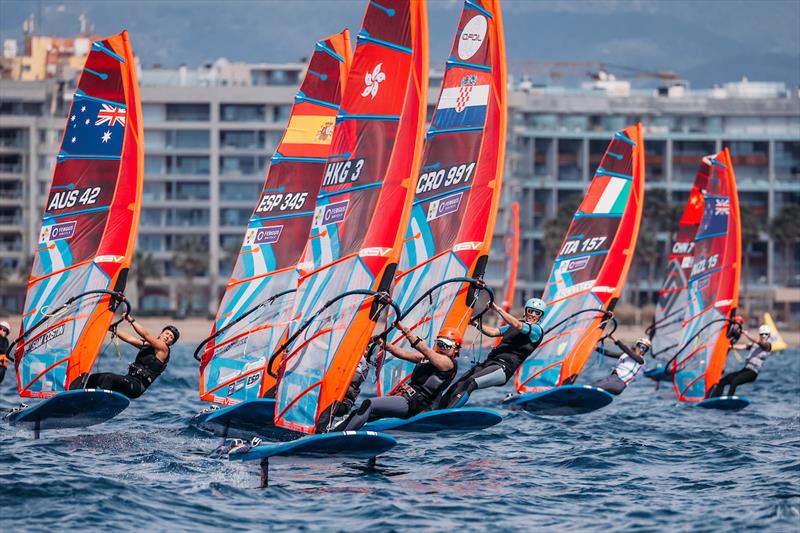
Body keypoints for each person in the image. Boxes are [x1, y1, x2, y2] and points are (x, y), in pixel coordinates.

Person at [335, 323, 461, 431]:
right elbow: (403, 354)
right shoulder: (427, 358)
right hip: (404, 397)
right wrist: (383, 344)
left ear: (456, 349)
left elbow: (425, 350)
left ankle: (340, 436)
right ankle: (333, 432)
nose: (442, 348)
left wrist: (405, 330)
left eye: (447, 345)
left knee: (369, 404)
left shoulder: (448, 364)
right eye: (440, 344)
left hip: (413, 404)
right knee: (364, 411)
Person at [438, 297, 545, 408]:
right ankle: (435, 410)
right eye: (530, 311)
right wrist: (474, 323)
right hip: (490, 363)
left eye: (537, 313)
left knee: (470, 382)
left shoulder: (536, 330)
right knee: (459, 383)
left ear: (541, 317)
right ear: (525, 311)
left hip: (503, 368)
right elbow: (493, 332)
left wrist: (497, 309)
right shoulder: (512, 327)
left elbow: (518, 325)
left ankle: (447, 412)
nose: (532, 314)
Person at [81, 313, 179, 399]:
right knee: (94, 378)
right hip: (128, 380)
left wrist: (131, 320)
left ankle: (100, 404)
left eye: (171, 337)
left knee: (109, 379)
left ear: (171, 343)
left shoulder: (164, 349)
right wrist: (113, 329)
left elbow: (146, 335)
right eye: (167, 333)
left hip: (136, 387)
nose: (168, 337)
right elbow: (130, 339)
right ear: (161, 333)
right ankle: (84, 401)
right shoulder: (148, 345)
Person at [709, 324, 773, 397]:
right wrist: (731, 346)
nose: (764, 336)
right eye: (762, 334)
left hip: (752, 373)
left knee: (734, 381)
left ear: (769, 336)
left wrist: (745, 333)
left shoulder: (767, 346)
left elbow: (757, 341)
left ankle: (729, 400)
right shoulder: (755, 344)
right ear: (760, 335)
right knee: (723, 380)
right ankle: (716, 398)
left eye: (766, 334)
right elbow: (744, 346)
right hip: (745, 370)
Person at [0, 320, 10, 385]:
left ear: (7, 333)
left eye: (4, 330)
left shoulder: (5, 341)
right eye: (0, 328)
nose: (1, 331)